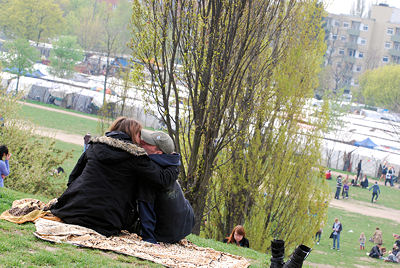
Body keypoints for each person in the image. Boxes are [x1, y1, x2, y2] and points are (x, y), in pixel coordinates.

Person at [51, 117, 179, 237]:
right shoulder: (135, 156)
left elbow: (73, 177)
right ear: (133, 134)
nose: (141, 139)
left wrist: (71, 199)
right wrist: (173, 161)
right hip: (107, 221)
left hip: (71, 211)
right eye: (139, 134)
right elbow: (162, 180)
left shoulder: (94, 146)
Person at [137, 129, 195, 244]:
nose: (142, 143)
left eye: (149, 143)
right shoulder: (171, 164)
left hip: (166, 234)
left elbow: (146, 206)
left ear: (159, 152)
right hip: (185, 226)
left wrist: (149, 239)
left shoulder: (151, 173)